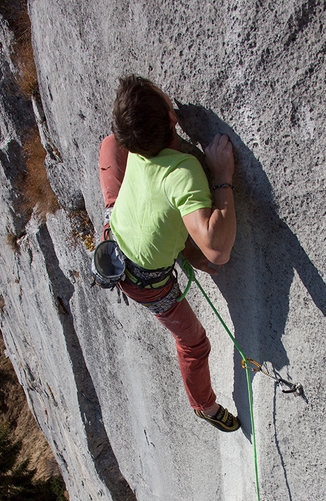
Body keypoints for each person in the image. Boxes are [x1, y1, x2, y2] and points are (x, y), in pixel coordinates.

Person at [98, 75, 239, 432]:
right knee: (193, 344)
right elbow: (217, 249)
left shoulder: (130, 146)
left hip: (112, 235)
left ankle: (163, 238)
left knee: (108, 148)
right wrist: (222, 177)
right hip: (147, 283)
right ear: (171, 118)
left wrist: (186, 249)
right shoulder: (183, 172)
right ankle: (204, 406)